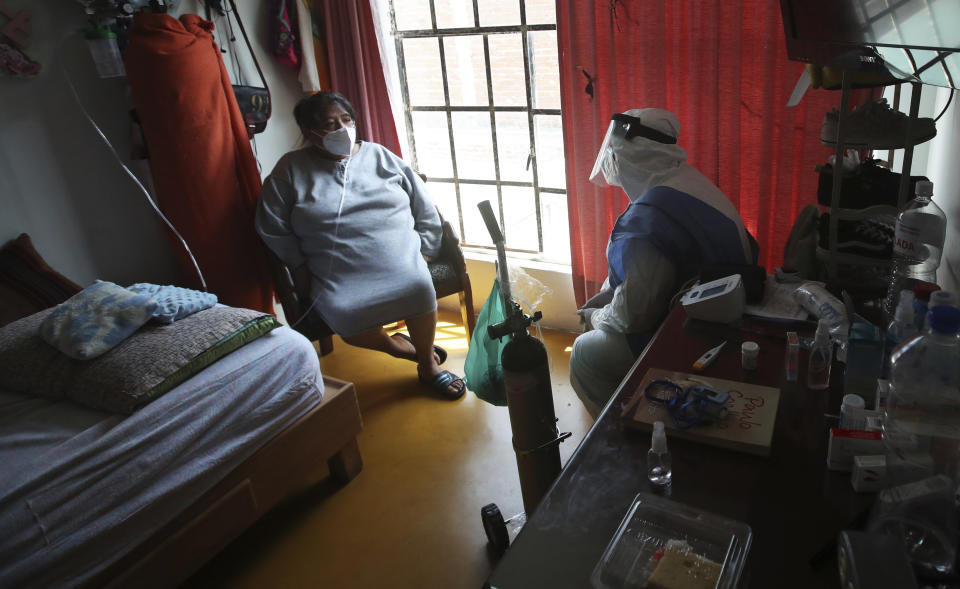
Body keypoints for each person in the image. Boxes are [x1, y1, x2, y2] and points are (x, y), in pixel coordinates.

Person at [256, 91, 465, 399]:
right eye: (329, 124)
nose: (341, 129)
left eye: (346, 119)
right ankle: (399, 348)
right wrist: (297, 265)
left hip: (402, 260)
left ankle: (427, 367)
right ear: (310, 133)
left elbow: (424, 205)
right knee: (346, 311)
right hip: (338, 272)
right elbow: (271, 224)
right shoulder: (290, 170)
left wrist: (429, 249)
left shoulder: (379, 156)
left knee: (419, 288)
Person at [569, 108, 757, 417]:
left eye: (614, 154)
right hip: (730, 310)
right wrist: (607, 298)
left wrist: (595, 316)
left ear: (628, 157)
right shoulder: (688, 181)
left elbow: (635, 317)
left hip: (697, 336)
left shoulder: (650, 217)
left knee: (585, 353)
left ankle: (623, 437)